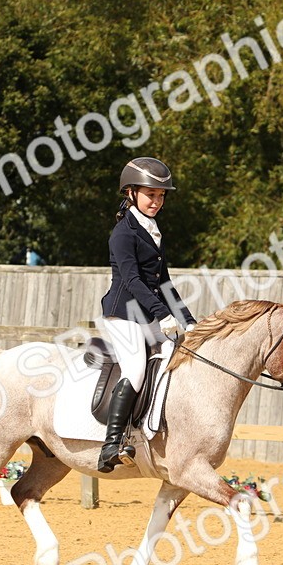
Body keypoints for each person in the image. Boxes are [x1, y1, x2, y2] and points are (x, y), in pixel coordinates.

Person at [96, 156, 196, 473]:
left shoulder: (152, 231)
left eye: (161, 195)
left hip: (146, 316)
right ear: (131, 194)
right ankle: (111, 445)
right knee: (137, 367)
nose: (157, 201)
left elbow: (163, 282)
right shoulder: (123, 234)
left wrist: (187, 319)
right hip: (122, 314)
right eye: (151, 194)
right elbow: (132, 281)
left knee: (174, 353)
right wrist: (163, 315)